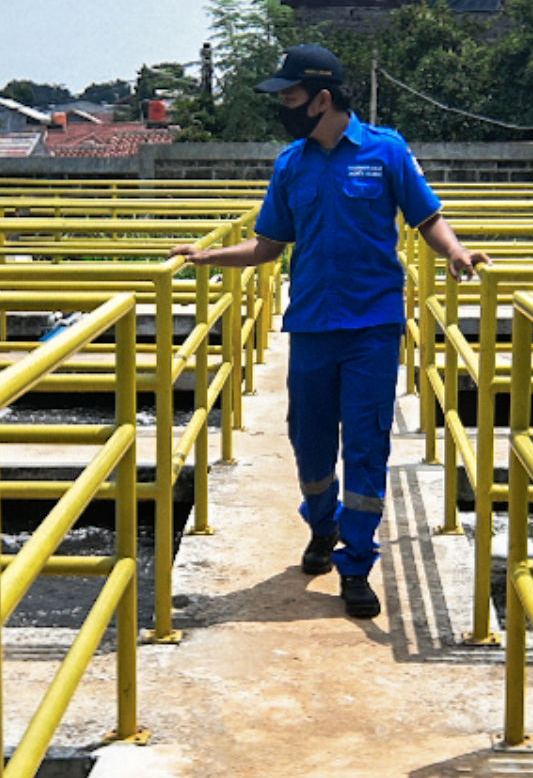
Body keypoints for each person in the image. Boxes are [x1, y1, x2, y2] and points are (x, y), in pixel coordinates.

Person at [169, 43, 481, 619]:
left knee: (366, 443)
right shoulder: (291, 163)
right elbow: (267, 245)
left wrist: (455, 252)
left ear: (323, 98)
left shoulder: (386, 152)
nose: (283, 106)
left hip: (372, 327)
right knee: (309, 440)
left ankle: (357, 563)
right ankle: (322, 525)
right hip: (312, 324)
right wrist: (207, 256)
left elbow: (427, 217)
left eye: (289, 96)